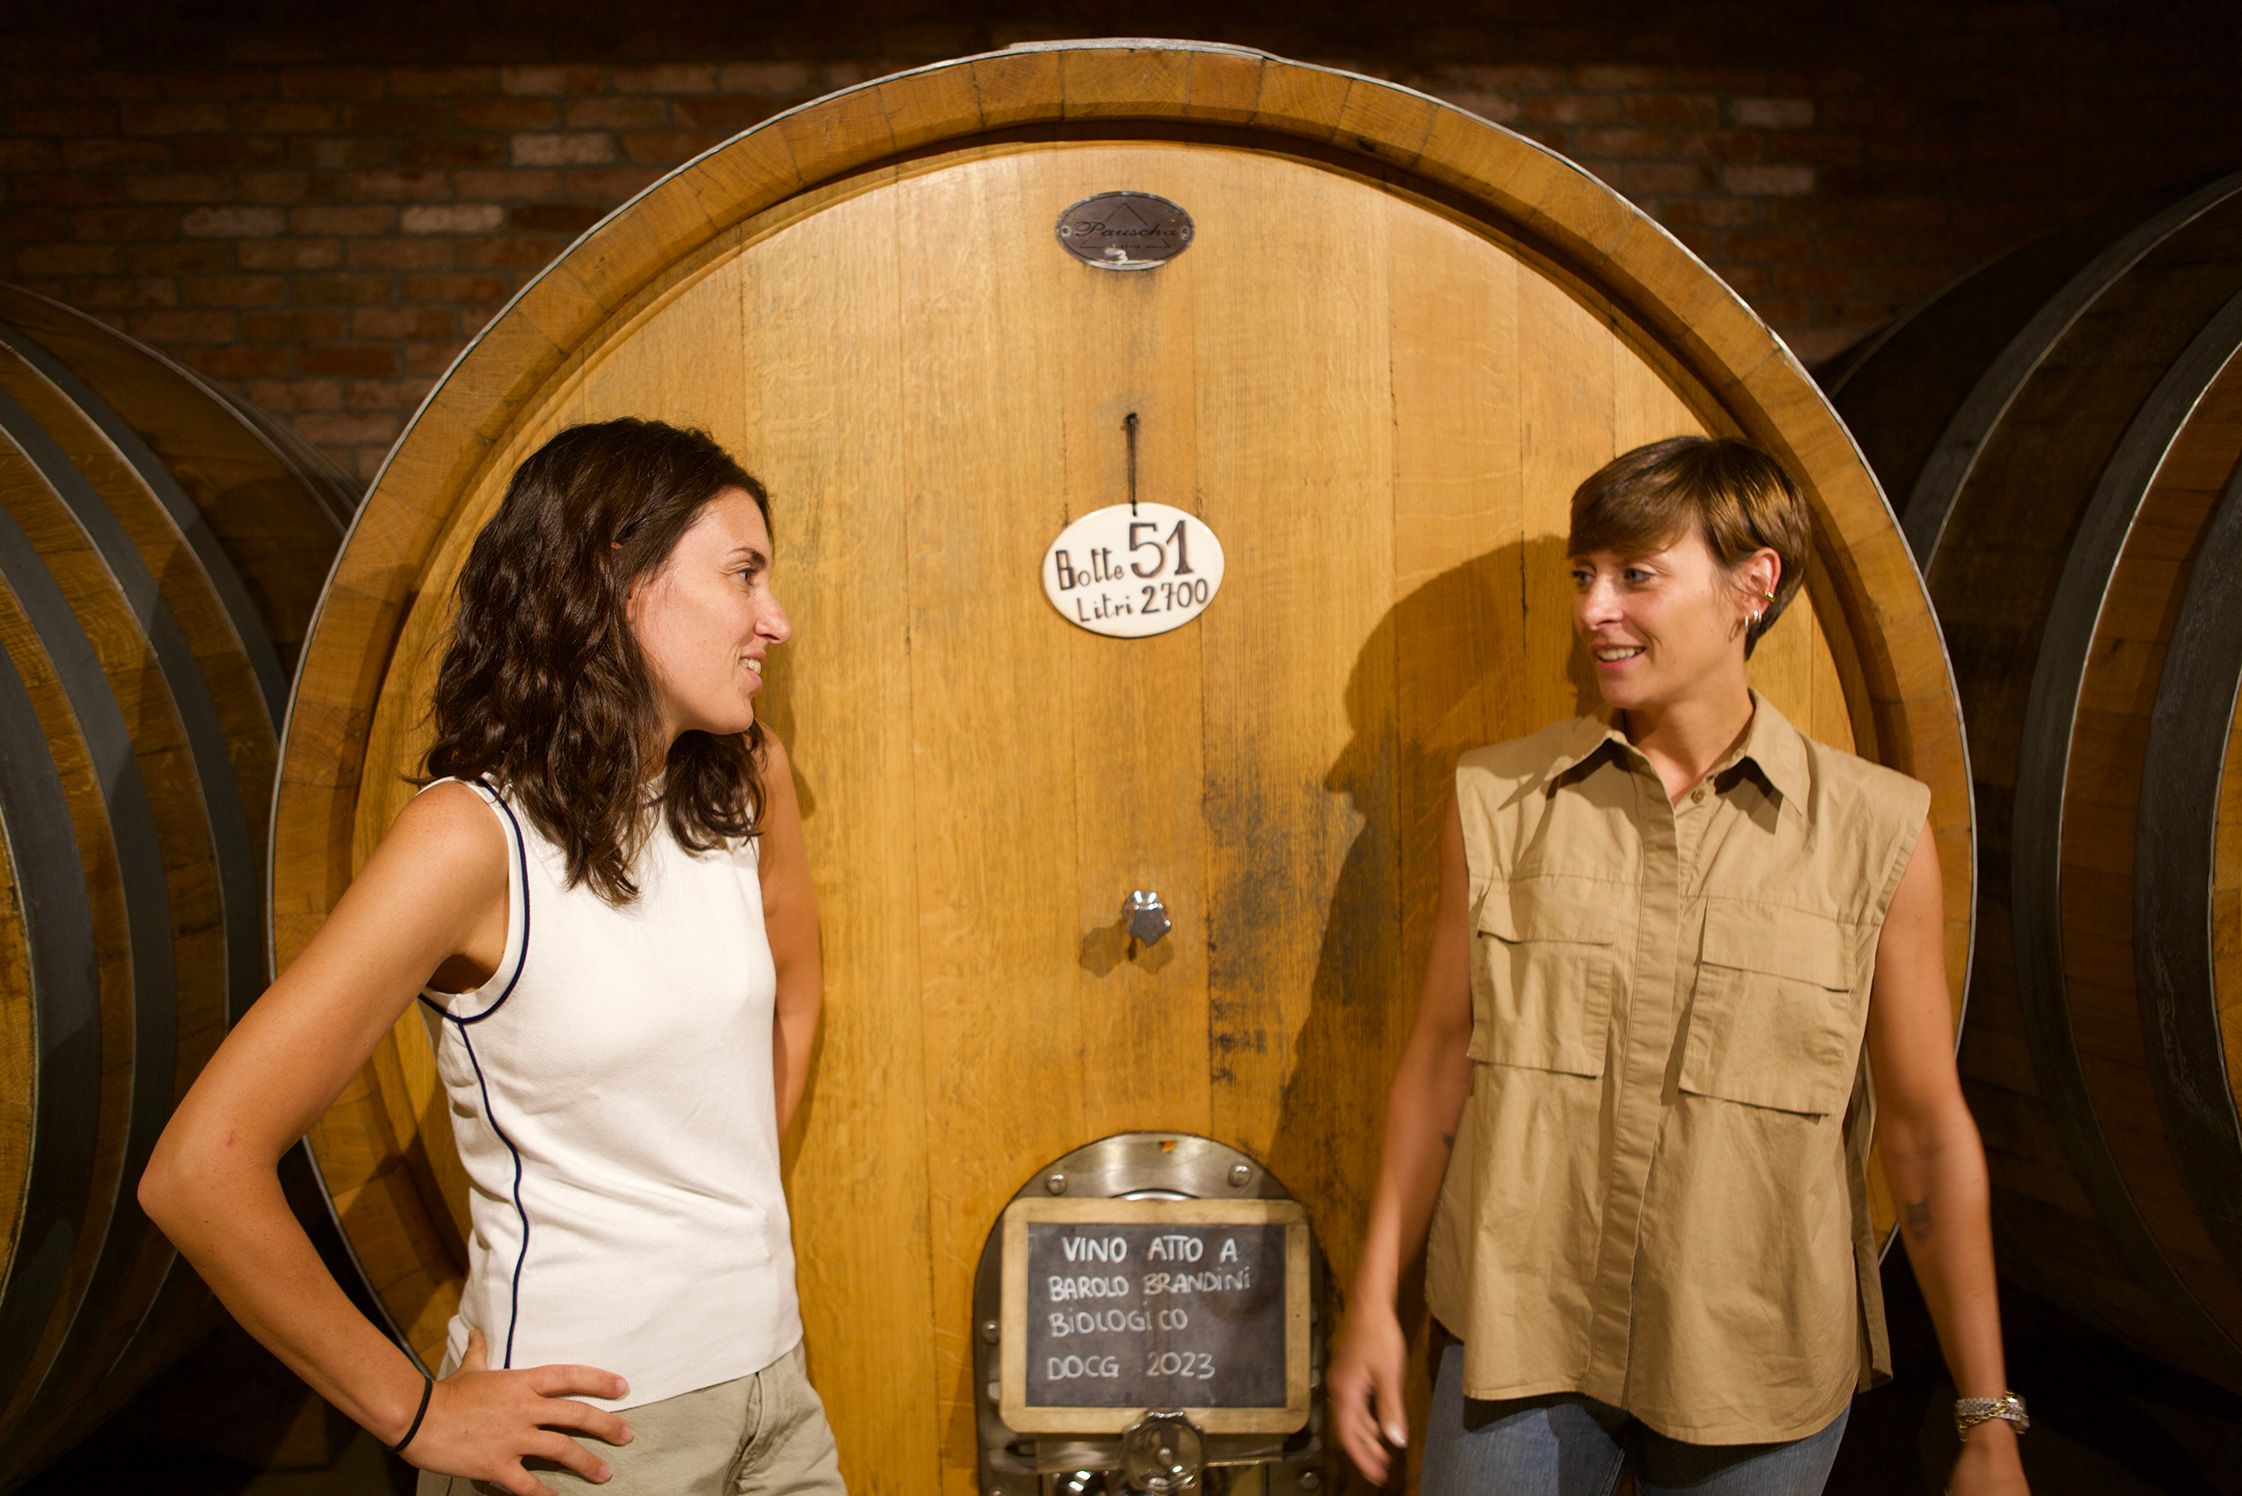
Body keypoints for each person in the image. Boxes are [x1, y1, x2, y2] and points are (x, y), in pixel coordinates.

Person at [141, 418, 844, 1496]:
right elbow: (200, 1170)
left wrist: (722, 1221)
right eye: (742, 573)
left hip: (777, 1399)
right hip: (584, 1439)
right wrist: (417, 1413)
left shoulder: (742, 778)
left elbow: (794, 999)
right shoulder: (473, 837)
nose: (775, 619)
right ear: (617, 575)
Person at [1326, 437, 2028, 1495]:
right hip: (1520, 1337)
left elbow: (1925, 1129)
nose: (1595, 608)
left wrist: (1987, 1417)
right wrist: (1374, 1299)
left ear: (1754, 584)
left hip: (1755, 1365)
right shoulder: (1499, 802)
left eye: (1635, 574)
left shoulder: (1874, 831)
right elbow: (1438, 1061)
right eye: (1582, 575)